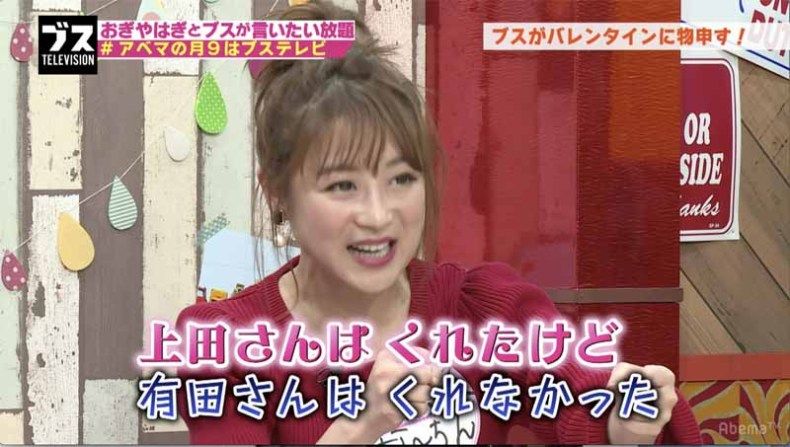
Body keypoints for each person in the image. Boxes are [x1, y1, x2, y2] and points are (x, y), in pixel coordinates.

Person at [176, 1, 702, 444]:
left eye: (401, 179)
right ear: (278, 193)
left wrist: (625, 420)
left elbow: (578, 396)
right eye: (342, 186)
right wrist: (363, 425)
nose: (378, 216)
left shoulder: (482, 308)